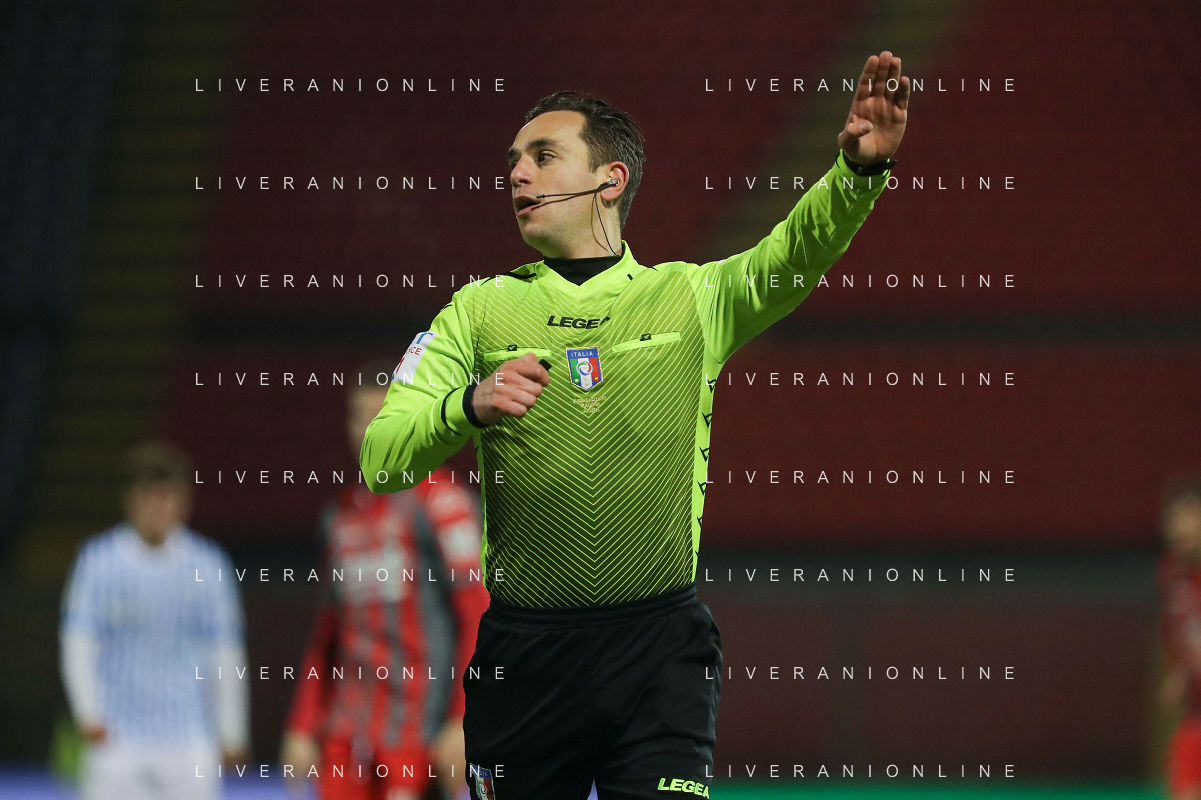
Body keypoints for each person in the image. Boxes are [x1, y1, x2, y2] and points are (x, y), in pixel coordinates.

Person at [361, 51, 910, 799]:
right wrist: (467, 405)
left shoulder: (689, 298)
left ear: (610, 180)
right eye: (513, 160)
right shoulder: (476, 311)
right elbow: (381, 459)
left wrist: (857, 174)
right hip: (525, 658)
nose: (517, 174)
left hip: (659, 651)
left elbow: (793, 254)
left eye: (543, 156)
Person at [282, 361, 489, 800]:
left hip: (416, 738)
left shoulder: (444, 505)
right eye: (357, 416)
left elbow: (478, 618)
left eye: (379, 416)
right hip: (345, 738)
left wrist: (464, 719)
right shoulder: (339, 517)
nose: (366, 430)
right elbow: (328, 631)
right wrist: (302, 725)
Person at [59, 440, 249, 800]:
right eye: (148, 496)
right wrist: (88, 713)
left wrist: (231, 729)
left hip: (187, 739)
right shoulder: (97, 562)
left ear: (183, 501)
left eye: (167, 495)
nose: (158, 506)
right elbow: (78, 643)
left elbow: (225, 652)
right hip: (117, 740)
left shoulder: (207, 565)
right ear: (130, 500)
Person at [1159, 474, 1201, 800]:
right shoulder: (1172, 575)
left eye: (1188, 517)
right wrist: (1180, 670)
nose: (1178, 528)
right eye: (1173, 519)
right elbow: (1179, 633)